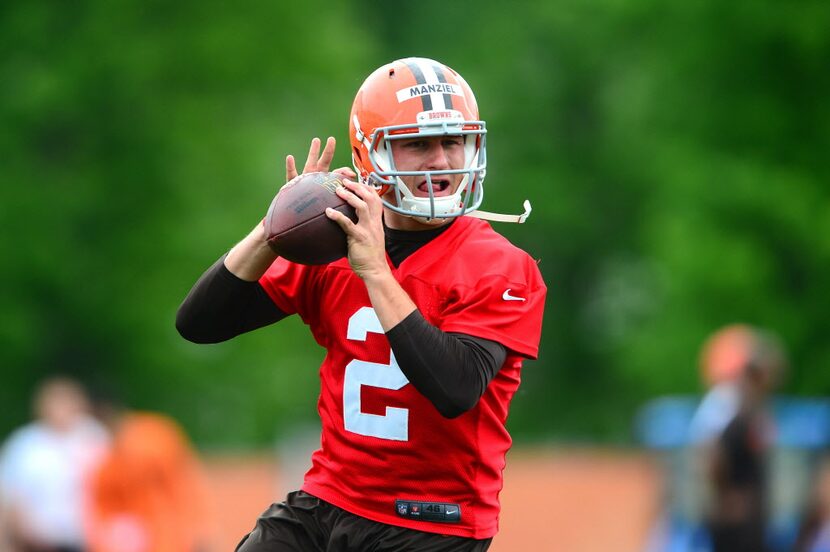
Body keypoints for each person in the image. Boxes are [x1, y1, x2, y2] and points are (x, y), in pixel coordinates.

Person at [177, 57, 547, 551]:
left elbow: (455, 388)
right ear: (370, 153)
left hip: (431, 523)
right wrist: (273, 230)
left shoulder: (500, 264)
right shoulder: (330, 245)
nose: (440, 160)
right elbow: (199, 324)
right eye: (417, 144)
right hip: (328, 500)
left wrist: (375, 270)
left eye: (452, 140)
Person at [691, 325, 787, 552]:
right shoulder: (727, 402)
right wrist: (726, 498)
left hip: (752, 513)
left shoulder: (754, 404)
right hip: (735, 516)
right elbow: (711, 453)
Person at [0, 377, 110, 552]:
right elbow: (9, 494)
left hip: (89, 540)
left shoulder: (95, 437)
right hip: (37, 541)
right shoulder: (24, 444)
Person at [84, 409, 214, 552]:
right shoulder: (109, 463)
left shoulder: (153, 440)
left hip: (162, 530)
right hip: (147, 530)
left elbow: (181, 485)